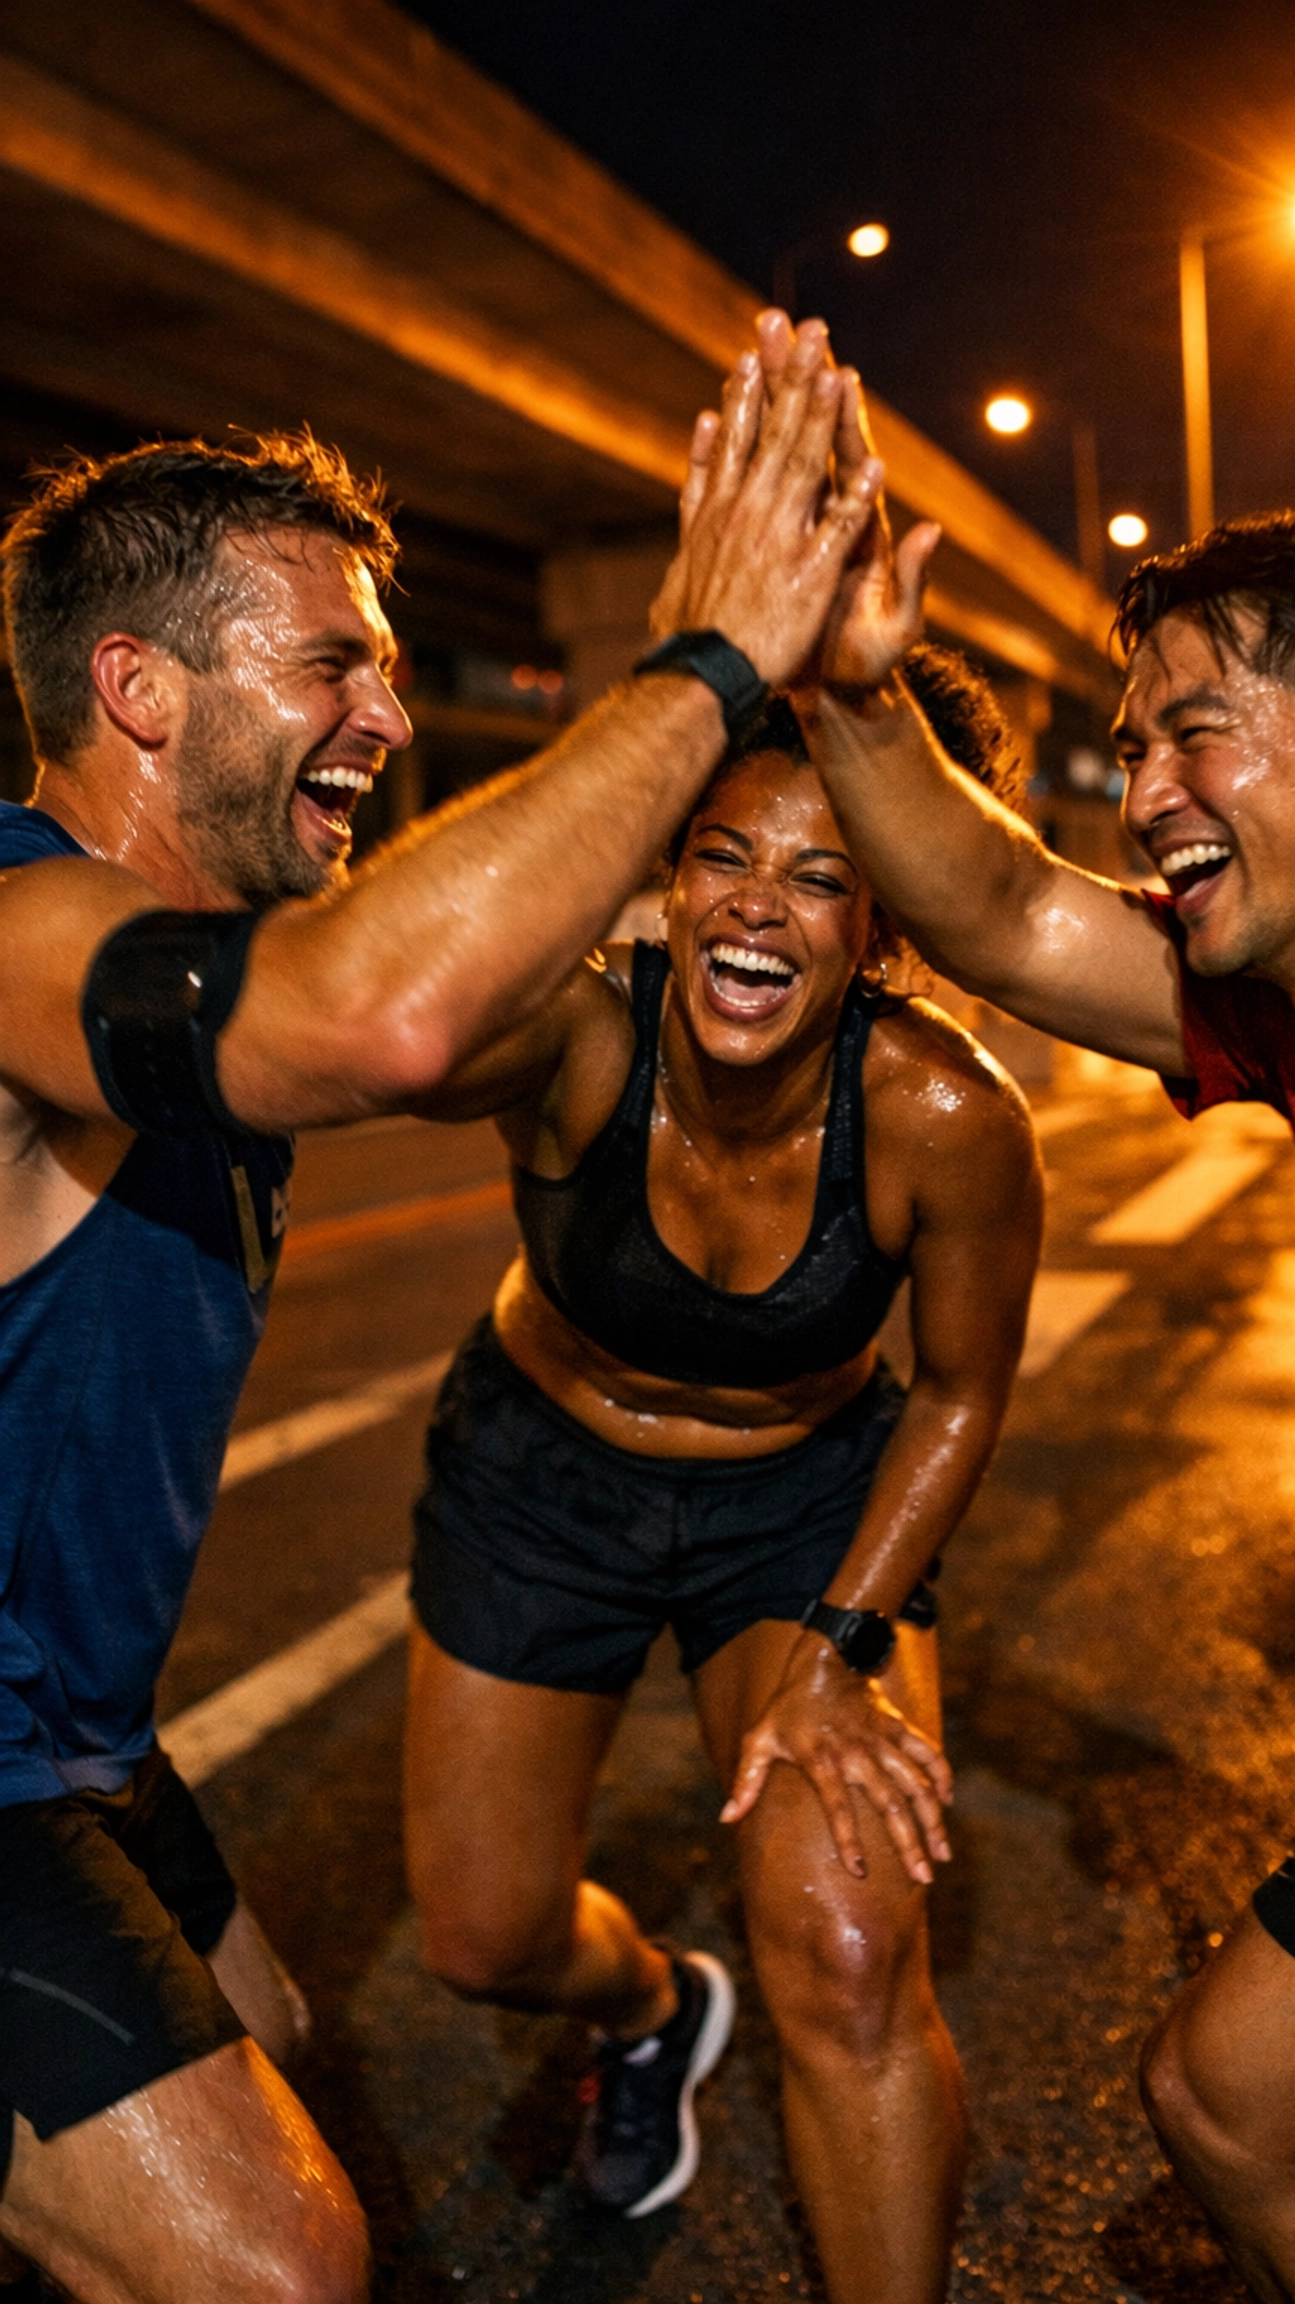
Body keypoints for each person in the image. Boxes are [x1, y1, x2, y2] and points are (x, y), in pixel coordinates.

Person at [0, 318, 885, 2304]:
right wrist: (708, 656)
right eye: (334, 665)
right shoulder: (19, 930)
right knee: (278, 2265)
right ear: (136, 689)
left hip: (66, 1732)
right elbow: (379, 1012)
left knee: (272, 2047)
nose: (390, 713)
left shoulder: (249, 953)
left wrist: (783, 851)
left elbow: (441, 983)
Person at [784, 408, 1295, 2304]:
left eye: (1196, 729)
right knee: (1230, 2097)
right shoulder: (1285, 1020)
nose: (1144, 789)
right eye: (1131, 748)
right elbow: (1007, 913)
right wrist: (862, 699)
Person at [402, 642, 1042, 2304]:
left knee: (847, 1958)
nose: (760, 911)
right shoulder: (573, 1037)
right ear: (668, 880)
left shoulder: (942, 1116)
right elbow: (393, 1024)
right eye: (724, 858)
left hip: (802, 1502)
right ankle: (648, 2012)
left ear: (883, 929)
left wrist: (840, 1651)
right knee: (482, 1938)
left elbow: (962, 1393)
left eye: (823, 880)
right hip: (540, 1479)